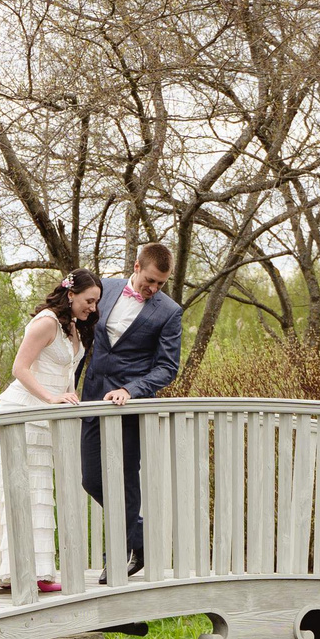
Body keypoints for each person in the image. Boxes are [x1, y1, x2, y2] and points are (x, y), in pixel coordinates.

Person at [0, 269, 100, 591]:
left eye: (96, 303)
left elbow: (66, 372)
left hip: (45, 416)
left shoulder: (72, 327)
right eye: (89, 301)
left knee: (37, 492)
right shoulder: (46, 322)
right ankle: (16, 571)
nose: (93, 308)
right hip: (25, 410)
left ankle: (27, 571)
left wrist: (67, 404)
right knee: (17, 489)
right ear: (71, 294)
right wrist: (50, 399)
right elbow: (20, 368)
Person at [77, 243, 180, 575]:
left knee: (124, 480)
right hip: (92, 397)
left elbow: (167, 368)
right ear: (136, 267)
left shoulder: (169, 311)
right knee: (92, 480)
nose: (153, 289)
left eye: (160, 284)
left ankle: (115, 562)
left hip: (130, 406)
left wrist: (131, 391)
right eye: (150, 280)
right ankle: (141, 535)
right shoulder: (103, 288)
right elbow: (79, 331)